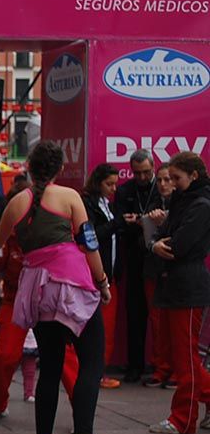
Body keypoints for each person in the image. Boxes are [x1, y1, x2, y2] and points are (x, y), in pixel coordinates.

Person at [0, 140, 121, 434]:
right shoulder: (70, 197)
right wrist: (102, 282)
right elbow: (89, 243)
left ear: (28, 167)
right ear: (59, 169)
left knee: (51, 367)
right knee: (91, 363)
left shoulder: (17, 202)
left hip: (37, 290)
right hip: (72, 285)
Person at [0, 232, 79, 421]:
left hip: (50, 298)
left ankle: (82, 412)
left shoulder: (62, 223)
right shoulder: (12, 228)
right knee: (4, 355)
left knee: (65, 356)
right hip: (15, 297)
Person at [148, 152, 210, 434]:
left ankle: (183, 419)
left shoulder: (200, 205)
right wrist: (156, 243)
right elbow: (163, 235)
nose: (170, 183)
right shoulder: (185, 200)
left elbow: (178, 244)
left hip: (187, 286)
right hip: (177, 284)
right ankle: (184, 416)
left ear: (193, 176)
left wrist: (156, 244)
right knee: (181, 355)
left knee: (185, 356)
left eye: (176, 178)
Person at [82, 163, 134, 389]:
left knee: (107, 329)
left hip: (110, 274)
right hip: (95, 276)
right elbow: (92, 236)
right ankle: (94, 372)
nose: (113, 188)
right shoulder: (88, 204)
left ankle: (99, 372)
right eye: (109, 184)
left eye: (115, 184)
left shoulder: (108, 204)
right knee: (97, 329)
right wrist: (117, 223)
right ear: (98, 182)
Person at [114, 149, 157, 383]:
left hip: (157, 259)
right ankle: (134, 366)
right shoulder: (125, 191)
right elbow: (120, 223)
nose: (142, 177)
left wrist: (140, 221)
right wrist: (141, 223)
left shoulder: (161, 187)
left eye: (146, 172)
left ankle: (161, 367)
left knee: (161, 316)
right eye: (137, 173)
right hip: (133, 258)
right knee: (135, 315)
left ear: (153, 167)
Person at [141, 165, 176, 389]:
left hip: (175, 271)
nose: (163, 184)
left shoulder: (185, 205)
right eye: (161, 180)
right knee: (157, 322)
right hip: (153, 269)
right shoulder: (151, 202)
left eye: (168, 179)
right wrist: (145, 222)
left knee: (175, 324)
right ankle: (161, 367)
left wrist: (163, 223)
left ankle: (176, 369)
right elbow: (145, 242)